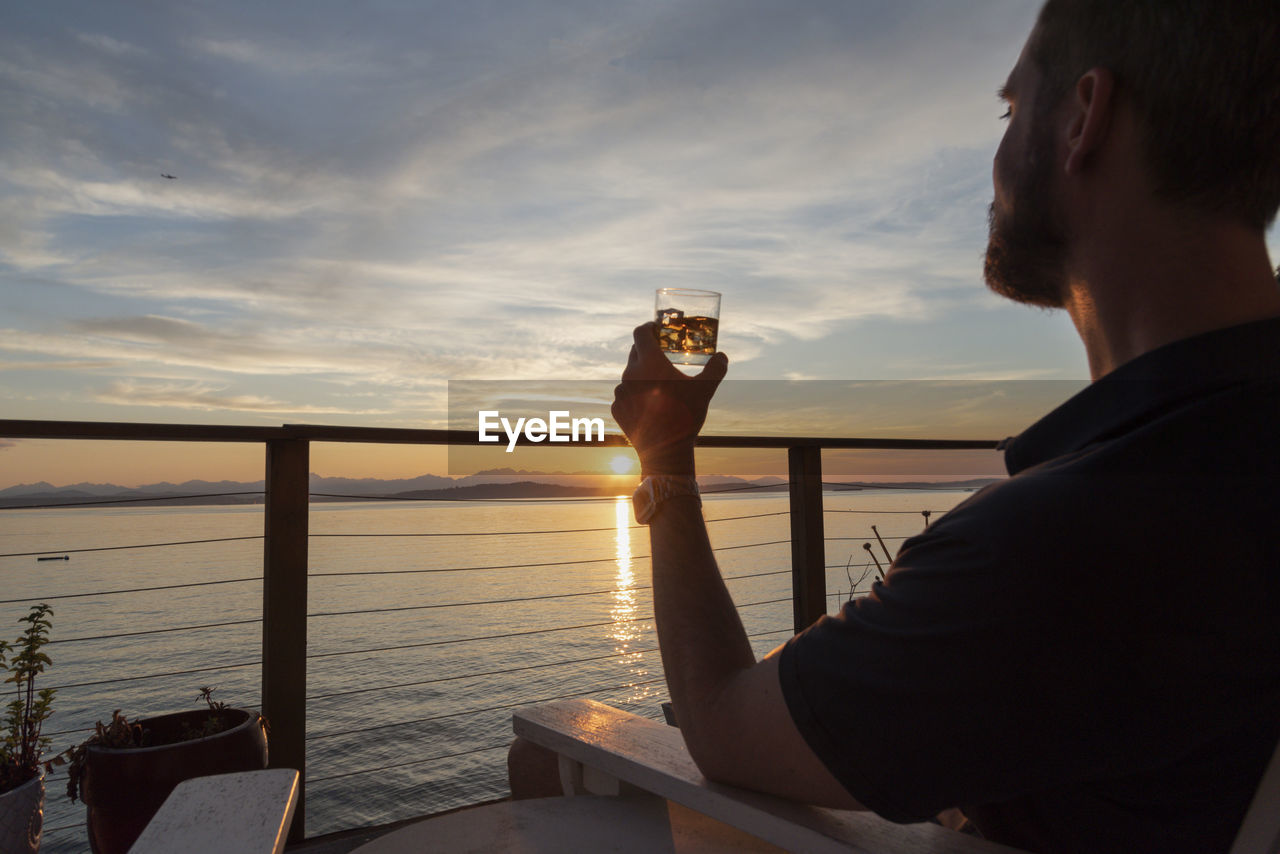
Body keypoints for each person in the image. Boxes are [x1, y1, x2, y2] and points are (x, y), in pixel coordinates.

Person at [513, 1, 1280, 850]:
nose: (995, 155)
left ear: (1083, 118)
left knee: (542, 765)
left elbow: (724, 725)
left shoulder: (1062, 545)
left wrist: (664, 454)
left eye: (1011, 109)